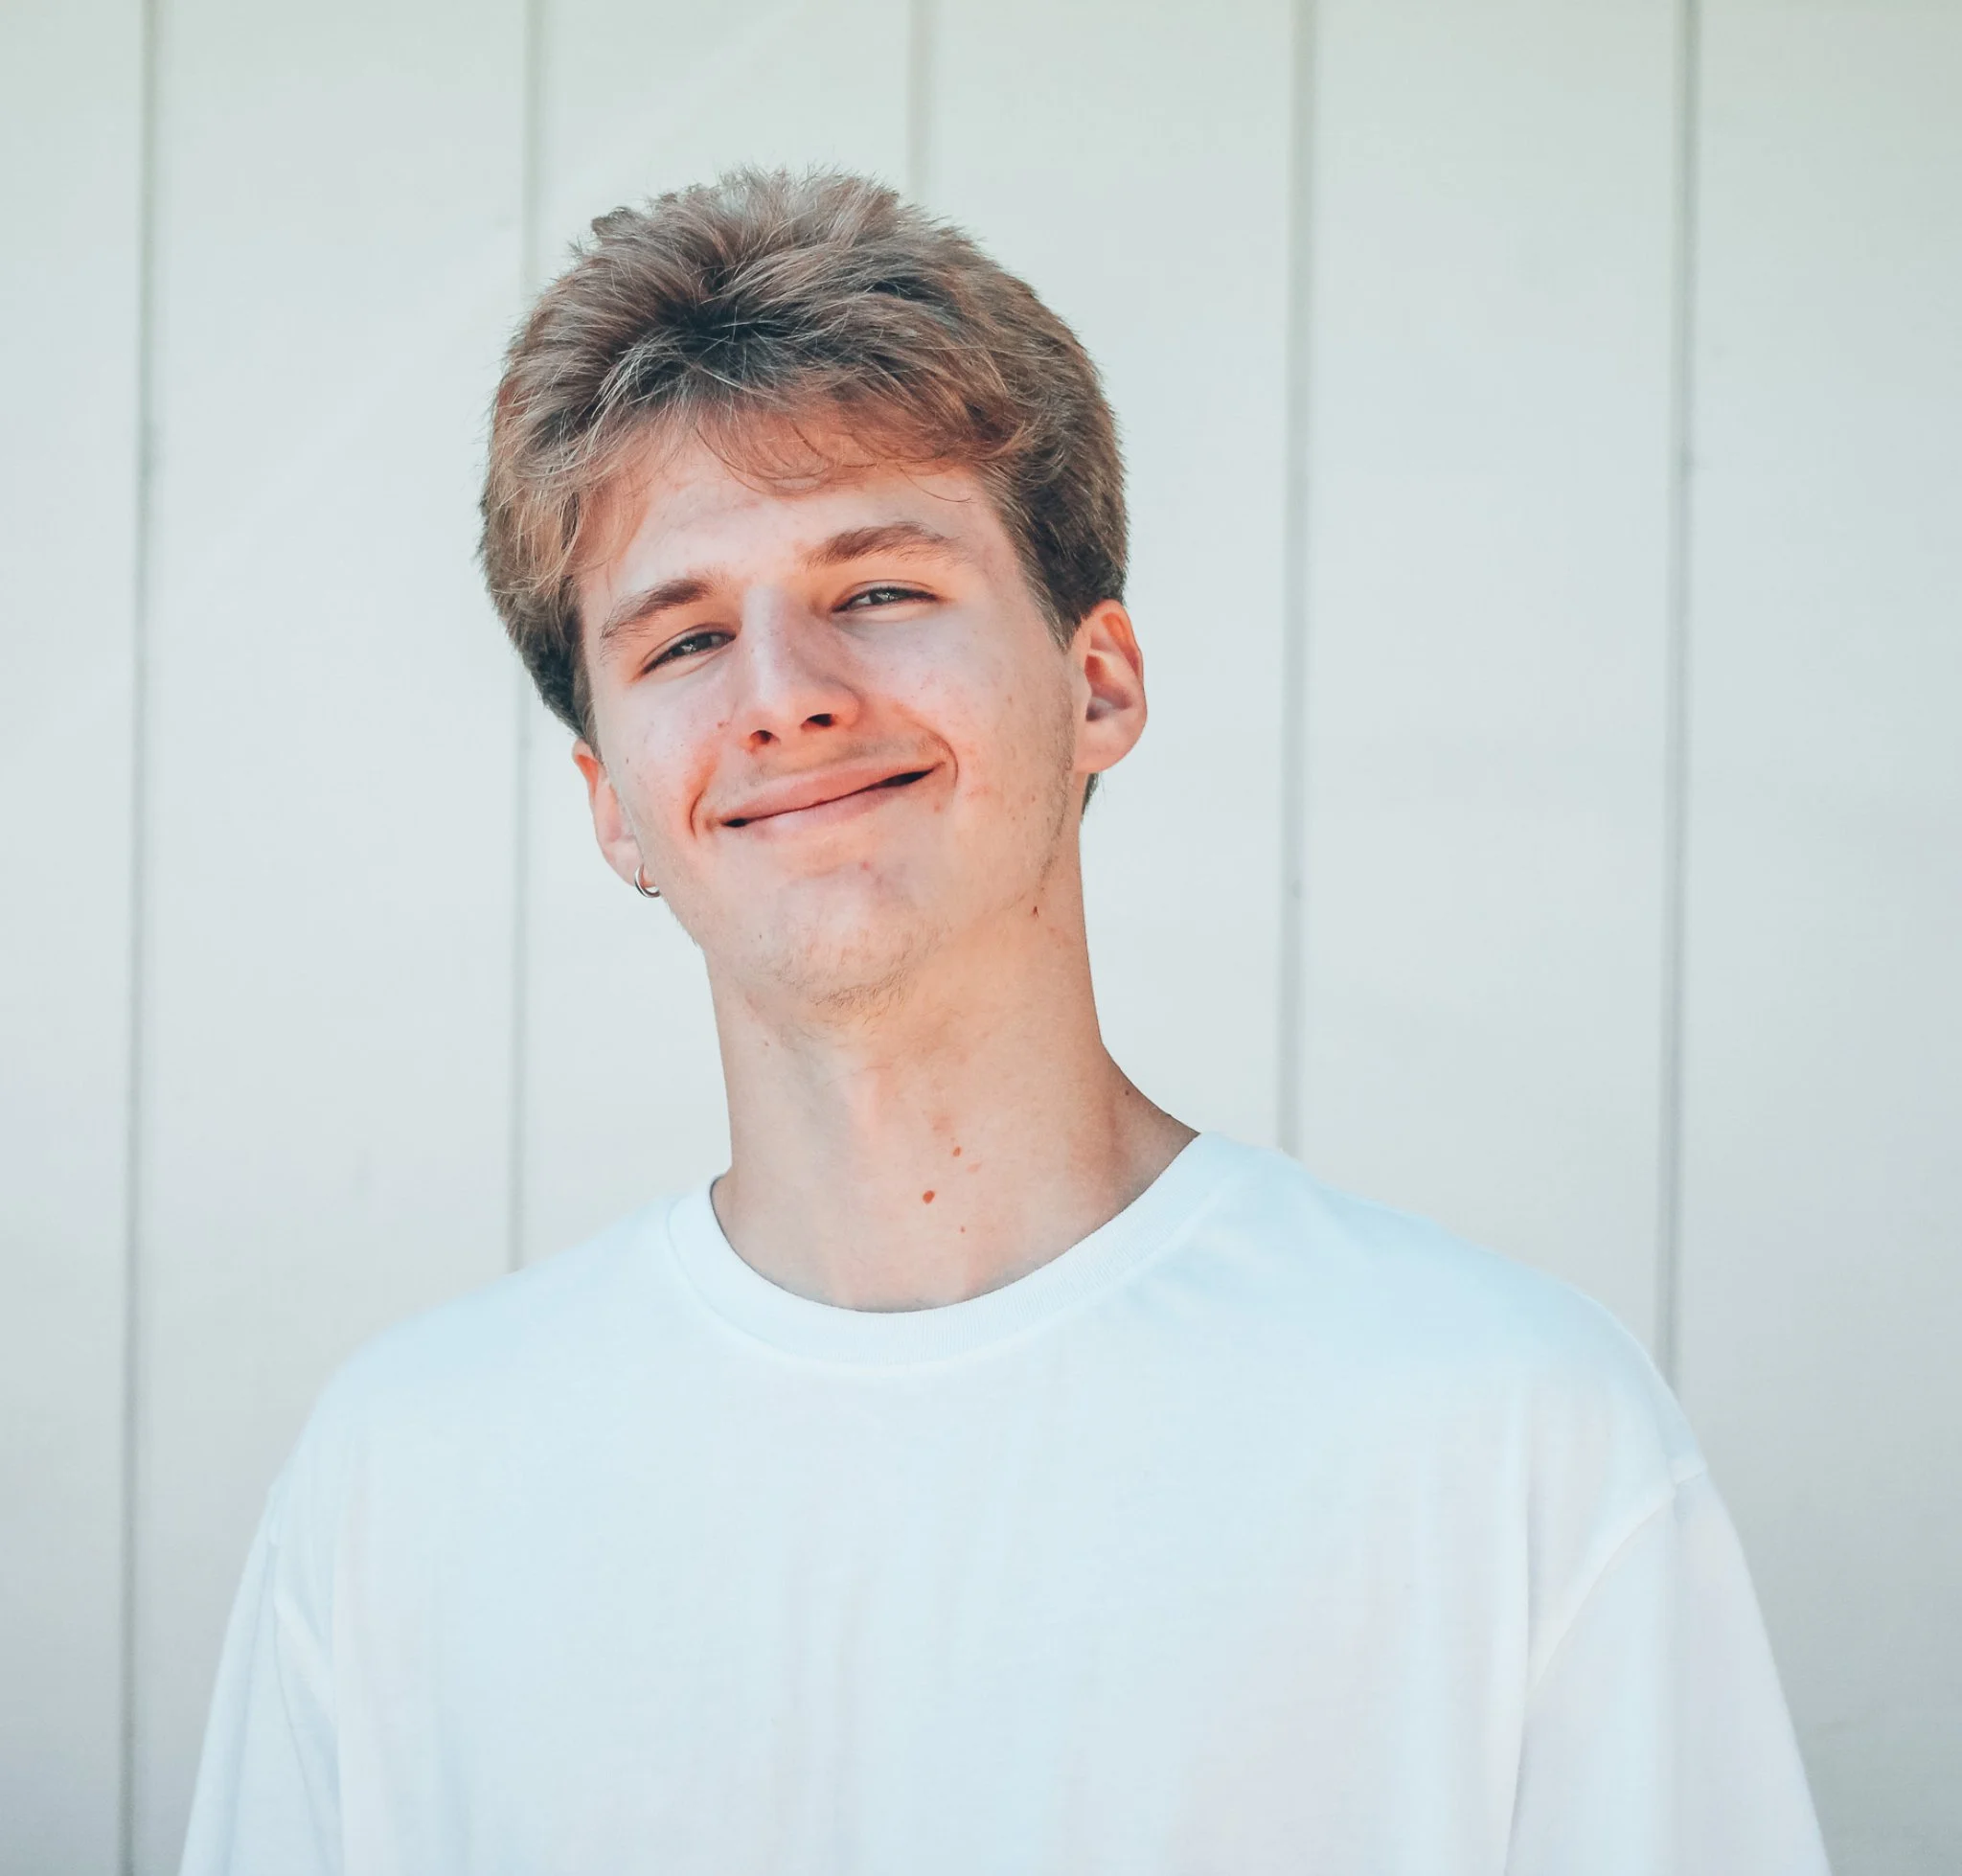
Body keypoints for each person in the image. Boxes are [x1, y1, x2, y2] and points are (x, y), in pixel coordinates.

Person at [180, 169, 1828, 1875]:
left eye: (880, 587)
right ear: (614, 805)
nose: (783, 693)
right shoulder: (405, 1490)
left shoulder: (1507, 1436)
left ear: (1096, 681)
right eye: (679, 636)